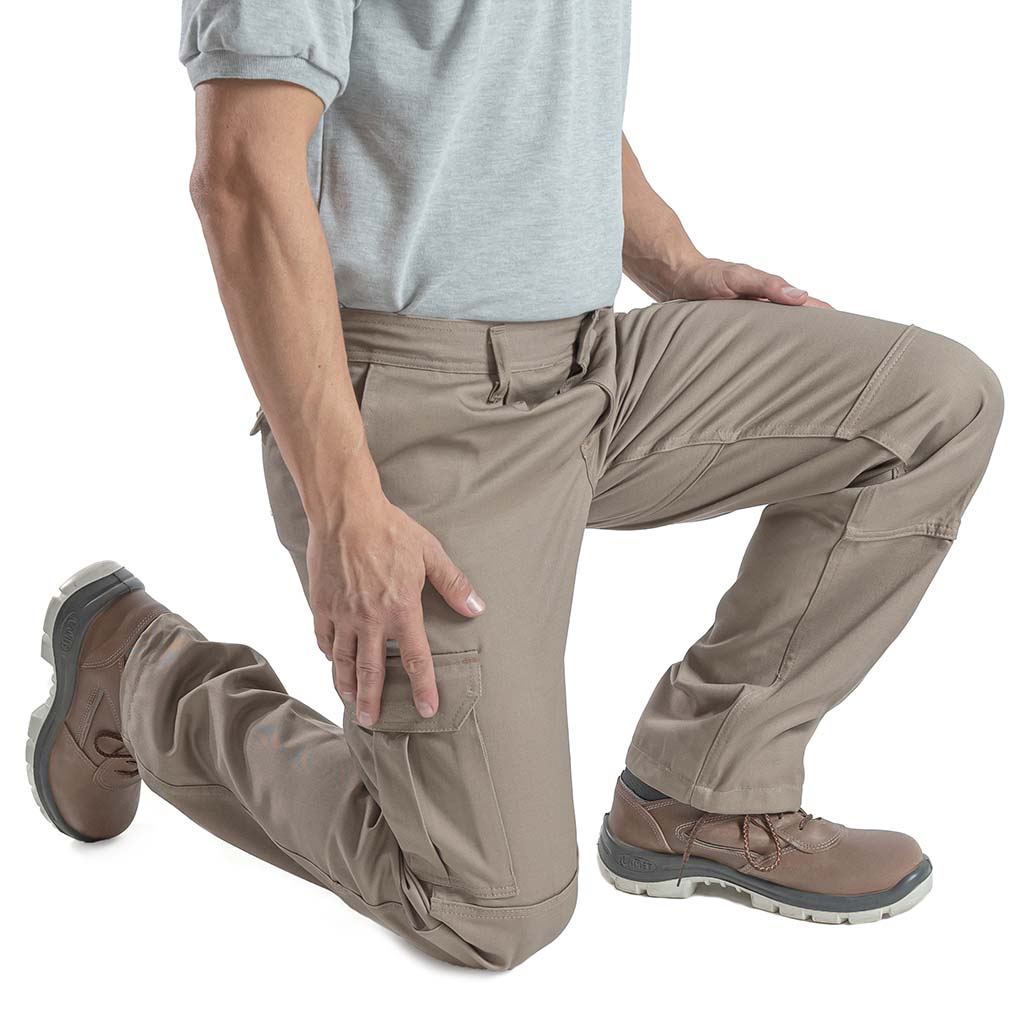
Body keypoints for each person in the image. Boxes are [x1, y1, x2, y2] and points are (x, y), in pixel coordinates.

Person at [26, 0, 1002, 970]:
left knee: (932, 406)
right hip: (414, 403)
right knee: (487, 907)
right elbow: (241, 177)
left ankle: (705, 793)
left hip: (595, 362)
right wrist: (344, 502)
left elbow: (529, 76)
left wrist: (677, 262)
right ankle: (137, 672)